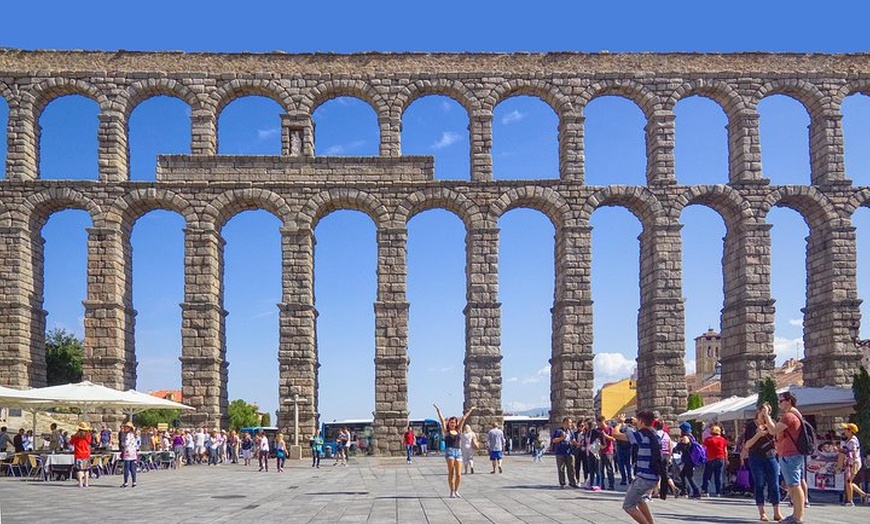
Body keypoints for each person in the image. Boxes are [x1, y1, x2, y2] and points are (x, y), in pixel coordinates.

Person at [761, 391, 806, 524]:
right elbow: (772, 430)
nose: (779, 404)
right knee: (793, 485)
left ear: (789, 401)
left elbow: (773, 430)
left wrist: (767, 415)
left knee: (795, 485)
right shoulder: (795, 414)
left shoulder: (789, 416)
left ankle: (798, 517)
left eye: (781, 401)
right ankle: (796, 515)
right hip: (791, 454)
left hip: (790, 454)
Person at [614, 410, 661, 524]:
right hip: (653, 476)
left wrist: (619, 423)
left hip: (643, 477)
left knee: (628, 506)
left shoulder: (640, 435)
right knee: (639, 499)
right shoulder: (655, 433)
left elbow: (616, 434)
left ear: (641, 421)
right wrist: (637, 424)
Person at [742, 404, 783, 521]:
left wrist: (767, 419)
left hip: (770, 456)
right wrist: (758, 434)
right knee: (759, 484)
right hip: (755, 457)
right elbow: (747, 445)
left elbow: (774, 432)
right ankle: (762, 512)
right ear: (758, 411)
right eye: (764, 411)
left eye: (768, 411)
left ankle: (777, 512)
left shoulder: (771, 422)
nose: (766, 414)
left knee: (774, 484)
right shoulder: (751, 425)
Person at [433, 403, 475, 499]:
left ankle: (456, 490)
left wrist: (471, 410)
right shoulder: (446, 431)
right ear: (449, 423)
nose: (452, 424)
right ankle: (452, 491)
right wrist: (438, 410)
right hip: (450, 452)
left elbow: (463, 418)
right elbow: (442, 420)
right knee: (451, 472)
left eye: (454, 422)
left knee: (459, 474)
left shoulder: (459, 430)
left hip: (458, 452)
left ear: (456, 423)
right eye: (451, 422)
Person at [841, 423, 867, 506]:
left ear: (850, 431)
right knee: (848, 482)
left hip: (854, 463)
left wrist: (842, 451)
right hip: (851, 462)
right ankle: (863, 495)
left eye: (846, 429)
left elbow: (853, 453)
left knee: (848, 481)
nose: (844, 431)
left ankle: (850, 501)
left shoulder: (852, 441)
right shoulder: (850, 439)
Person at [674, 422, 701, 498]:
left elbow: (683, 448)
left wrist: (678, 446)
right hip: (690, 460)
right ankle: (685, 490)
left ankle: (695, 491)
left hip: (688, 460)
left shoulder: (686, 438)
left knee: (689, 476)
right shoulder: (692, 437)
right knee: (683, 475)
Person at [552, 417, 578, 488]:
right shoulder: (558, 431)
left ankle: (572, 482)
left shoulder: (571, 431)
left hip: (569, 452)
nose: (570, 424)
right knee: (561, 468)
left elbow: (573, 440)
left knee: (571, 468)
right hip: (560, 452)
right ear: (564, 423)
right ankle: (562, 483)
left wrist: (577, 444)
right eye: (569, 423)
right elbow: (554, 440)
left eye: (570, 423)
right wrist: (562, 438)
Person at [702, 425, 727, 497]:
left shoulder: (708, 440)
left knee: (707, 476)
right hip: (720, 459)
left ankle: (706, 491)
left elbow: (703, 448)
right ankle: (718, 492)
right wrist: (726, 459)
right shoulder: (723, 440)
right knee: (718, 476)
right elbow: (725, 451)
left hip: (710, 459)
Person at [69, 422, 92, 488]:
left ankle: (80, 483)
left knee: (79, 469)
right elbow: (89, 442)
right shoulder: (87, 435)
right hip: (86, 454)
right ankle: (86, 483)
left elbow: (71, 442)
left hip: (78, 454)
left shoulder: (76, 436)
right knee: (86, 469)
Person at [597, 416, 616, 490]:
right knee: (601, 469)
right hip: (600, 450)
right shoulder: (598, 430)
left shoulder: (610, 428)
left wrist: (606, 436)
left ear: (603, 421)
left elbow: (613, 438)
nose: (599, 424)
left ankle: (611, 485)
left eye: (599, 423)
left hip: (608, 450)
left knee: (609, 468)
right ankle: (602, 484)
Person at [119, 421, 138, 488]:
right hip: (133, 452)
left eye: (126, 427)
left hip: (128, 452)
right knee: (132, 468)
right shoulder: (134, 435)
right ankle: (134, 481)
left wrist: (123, 444)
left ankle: (126, 482)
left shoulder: (128, 435)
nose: (125, 428)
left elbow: (126, 443)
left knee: (126, 468)